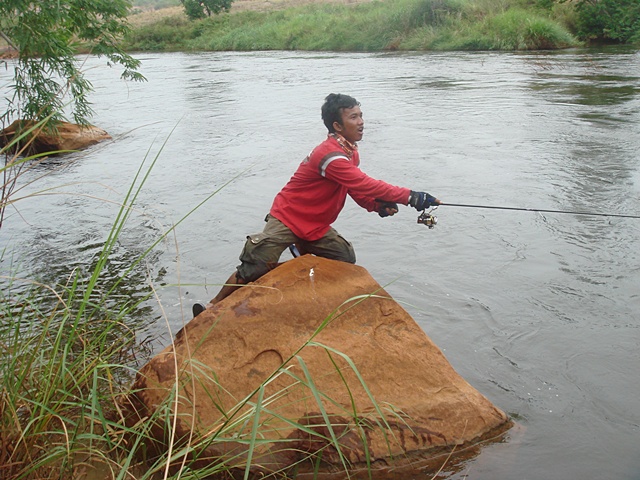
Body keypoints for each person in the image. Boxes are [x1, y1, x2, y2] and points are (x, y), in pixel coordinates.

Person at [193, 93, 440, 316]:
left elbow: (354, 187)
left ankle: (296, 262)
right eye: (354, 117)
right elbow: (365, 183)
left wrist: (375, 206)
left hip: (316, 224)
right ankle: (211, 306)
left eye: (361, 115)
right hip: (288, 217)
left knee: (345, 257)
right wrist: (411, 197)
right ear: (337, 126)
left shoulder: (350, 152)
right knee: (254, 265)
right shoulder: (329, 155)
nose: (362, 122)